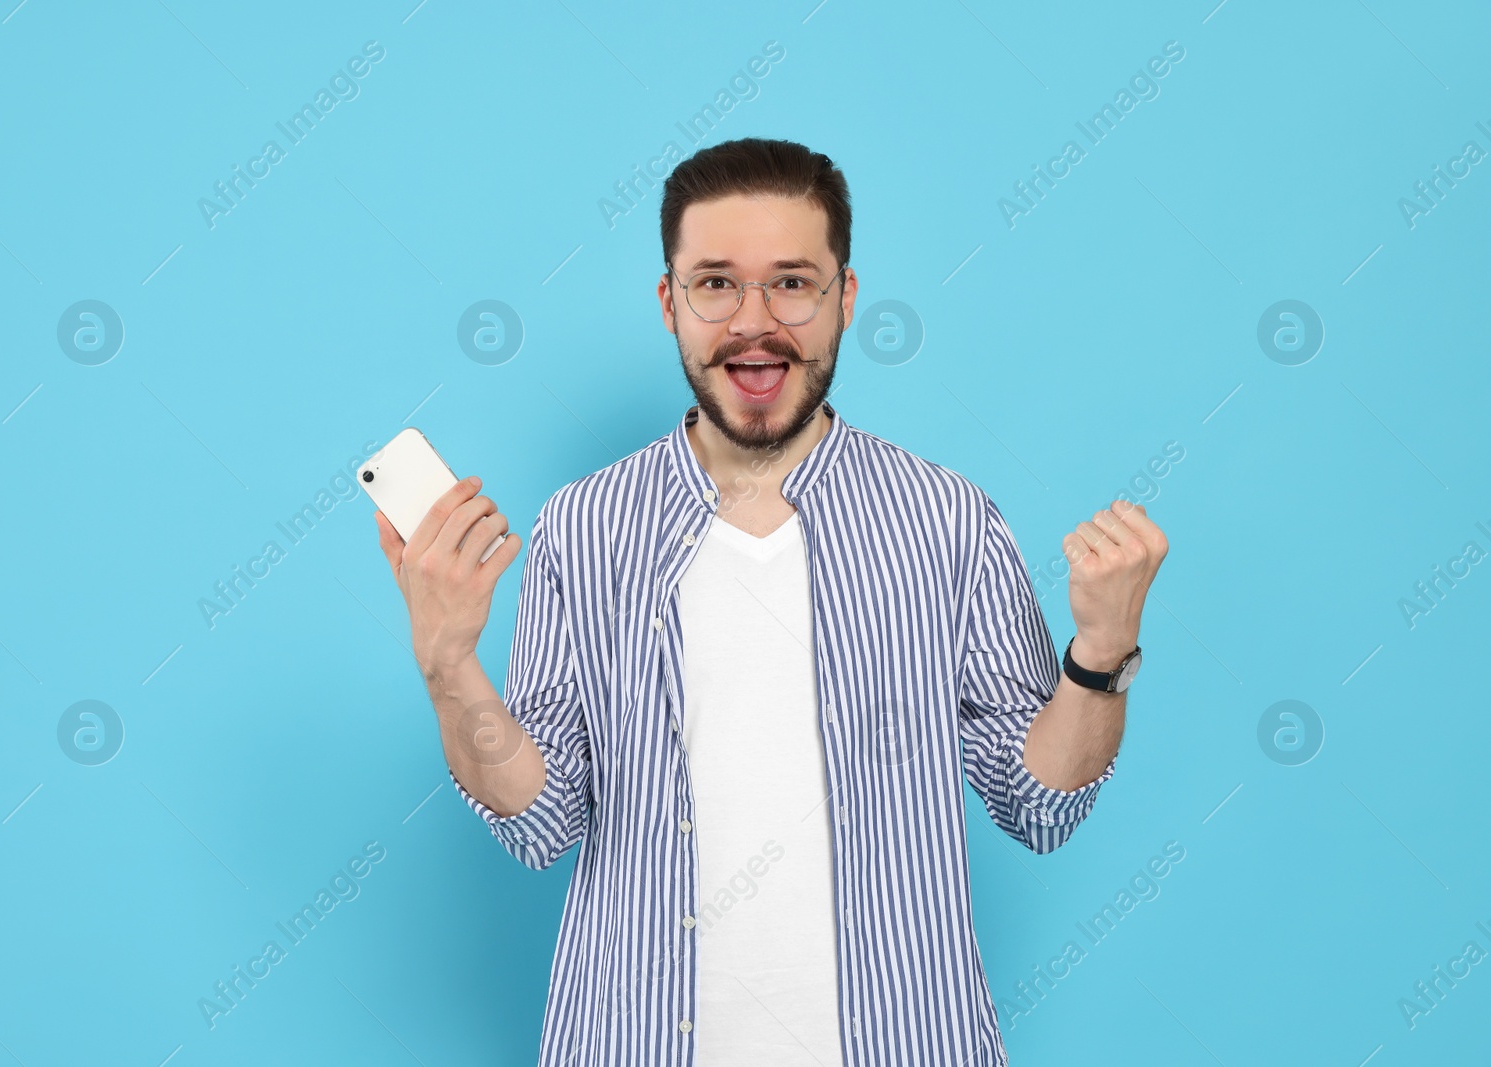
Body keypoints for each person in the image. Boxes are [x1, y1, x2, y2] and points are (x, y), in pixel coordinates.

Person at [375, 137, 1169, 1067]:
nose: (755, 323)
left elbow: (1040, 803)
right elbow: (542, 820)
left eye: (792, 282)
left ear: (846, 299)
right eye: (716, 283)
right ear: (670, 303)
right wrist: (447, 664)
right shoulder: (583, 530)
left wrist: (1101, 652)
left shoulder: (947, 521)